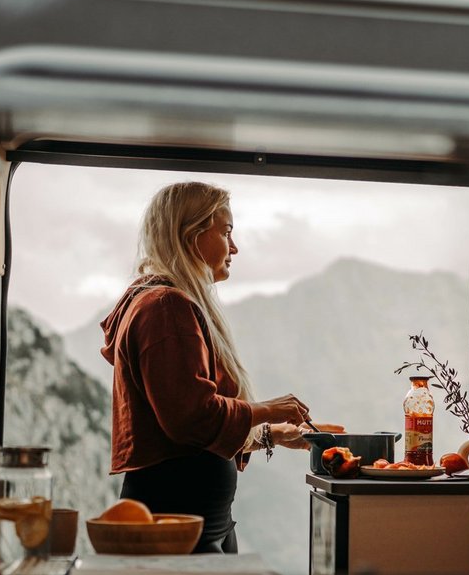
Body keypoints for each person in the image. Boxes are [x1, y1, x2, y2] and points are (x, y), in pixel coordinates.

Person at [99, 181, 313, 553]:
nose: (234, 247)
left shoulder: (161, 303)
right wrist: (267, 409)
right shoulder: (166, 307)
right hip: (179, 521)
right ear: (191, 235)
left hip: (200, 521)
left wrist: (270, 434)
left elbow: (191, 431)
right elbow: (190, 417)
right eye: (226, 231)